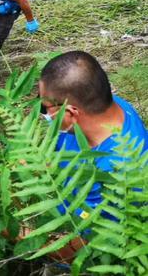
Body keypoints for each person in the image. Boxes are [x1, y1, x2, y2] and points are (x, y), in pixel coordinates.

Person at [38, 50, 147, 260]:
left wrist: (13, 232)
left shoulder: (117, 177)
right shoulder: (110, 106)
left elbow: (77, 251)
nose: (41, 113)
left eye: (44, 106)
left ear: (70, 113)